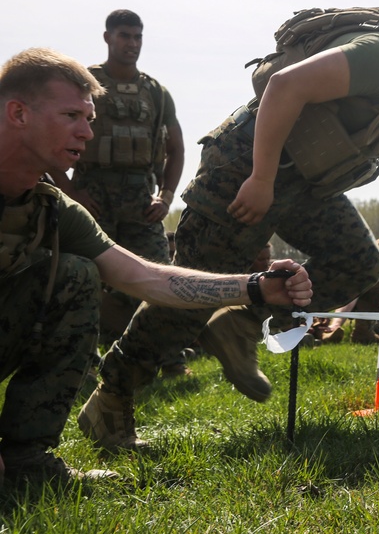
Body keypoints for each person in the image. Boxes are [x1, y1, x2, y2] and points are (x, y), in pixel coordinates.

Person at [80, 0, 379, 451]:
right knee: (190, 298)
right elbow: (284, 86)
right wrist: (261, 178)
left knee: (359, 261)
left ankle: (241, 323)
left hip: (302, 184)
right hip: (245, 171)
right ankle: (111, 400)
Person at [0, 48, 312, 485]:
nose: (87, 133)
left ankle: (26, 463)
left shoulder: (50, 207)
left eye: (89, 119)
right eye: (73, 115)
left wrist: (257, 287)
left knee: (77, 275)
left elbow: (146, 277)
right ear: (18, 113)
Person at [48, 10, 185, 351]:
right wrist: (69, 191)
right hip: (91, 194)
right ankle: (82, 355)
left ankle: (162, 357)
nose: (132, 43)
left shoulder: (155, 92)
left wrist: (166, 197)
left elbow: (176, 149)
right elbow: (48, 140)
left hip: (141, 199)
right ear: (108, 37)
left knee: (161, 276)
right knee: (81, 273)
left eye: (138, 37)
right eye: (125, 35)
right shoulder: (82, 84)